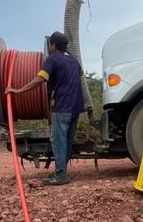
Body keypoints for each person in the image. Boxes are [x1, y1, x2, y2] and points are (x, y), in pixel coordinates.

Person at [6, 31, 84, 186]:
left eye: (50, 43)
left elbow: (40, 79)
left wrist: (18, 90)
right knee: (67, 141)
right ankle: (62, 172)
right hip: (76, 107)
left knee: (58, 141)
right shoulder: (74, 61)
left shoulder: (52, 59)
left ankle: (61, 175)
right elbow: (79, 73)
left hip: (62, 106)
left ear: (53, 45)